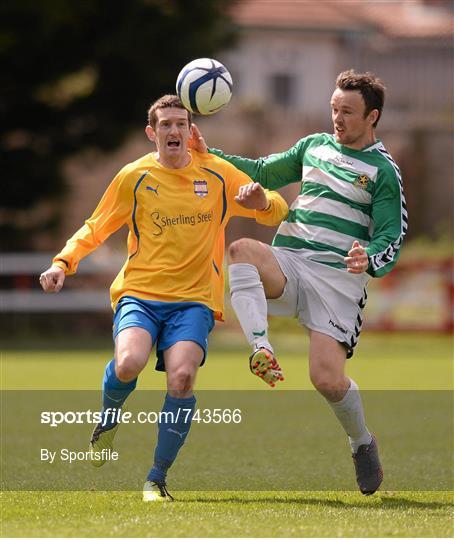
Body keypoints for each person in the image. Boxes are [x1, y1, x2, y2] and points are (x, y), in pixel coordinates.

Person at [39, 94, 288, 501]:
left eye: (181, 124)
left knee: (182, 378)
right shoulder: (134, 177)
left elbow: (277, 208)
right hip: (140, 293)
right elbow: (95, 227)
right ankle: (108, 420)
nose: (175, 131)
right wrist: (62, 263)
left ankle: (156, 478)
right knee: (128, 363)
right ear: (151, 133)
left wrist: (263, 202)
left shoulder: (218, 173)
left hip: (194, 301)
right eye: (166, 125)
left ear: (191, 132)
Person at [191, 69, 407, 495]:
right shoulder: (314, 146)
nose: (337, 118)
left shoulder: (383, 171)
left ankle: (362, 442)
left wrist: (371, 258)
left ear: (372, 116)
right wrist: (207, 154)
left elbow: (392, 233)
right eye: (333, 109)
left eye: (347, 112)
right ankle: (261, 348)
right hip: (291, 259)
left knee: (326, 379)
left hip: (337, 282)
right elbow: (261, 171)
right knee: (241, 252)